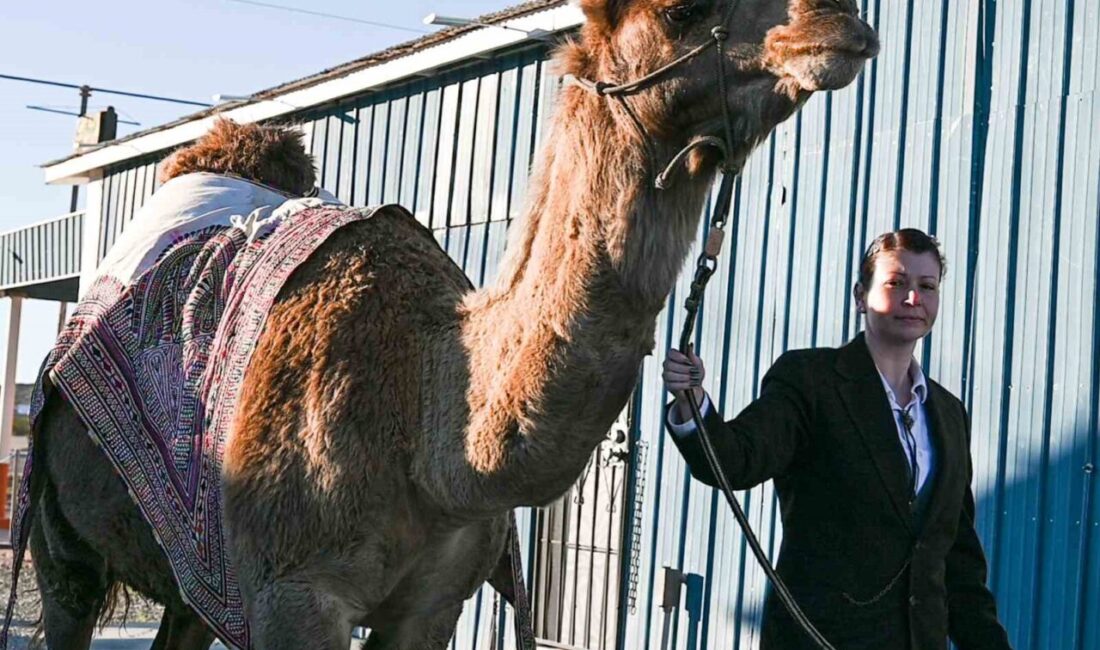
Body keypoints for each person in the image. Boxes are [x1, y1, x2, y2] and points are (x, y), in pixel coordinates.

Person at [663, 229, 1012, 650]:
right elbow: (736, 459)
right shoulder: (811, 380)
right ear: (860, 295)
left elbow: (958, 562)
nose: (912, 298)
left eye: (926, 286)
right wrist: (693, 404)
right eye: (896, 283)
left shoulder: (949, 414)